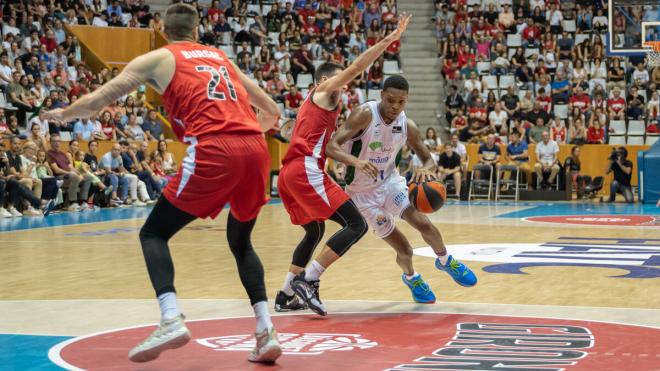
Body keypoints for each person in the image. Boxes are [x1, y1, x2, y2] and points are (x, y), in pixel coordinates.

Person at [44, 3, 283, 364]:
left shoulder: (158, 57)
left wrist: (62, 114)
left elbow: (100, 99)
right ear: (198, 29)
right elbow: (272, 111)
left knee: (153, 234)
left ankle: (171, 318)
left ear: (161, 27)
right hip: (255, 147)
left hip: (215, 147)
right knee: (241, 241)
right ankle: (266, 331)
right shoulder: (220, 57)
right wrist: (245, 141)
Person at [274, 14, 411, 316]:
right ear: (324, 81)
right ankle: (309, 280)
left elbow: (330, 146)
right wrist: (391, 38)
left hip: (289, 174)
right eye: (341, 81)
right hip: (305, 170)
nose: (345, 88)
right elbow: (358, 67)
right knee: (357, 224)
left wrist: (352, 161)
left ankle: (285, 295)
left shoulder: (321, 105)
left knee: (313, 231)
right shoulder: (323, 93)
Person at [326, 75, 476, 304]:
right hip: (362, 194)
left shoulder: (407, 125)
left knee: (425, 224)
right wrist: (355, 162)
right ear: (381, 96)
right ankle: (412, 277)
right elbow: (331, 146)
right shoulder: (364, 115)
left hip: (390, 184)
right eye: (390, 100)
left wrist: (426, 171)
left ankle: (445, 260)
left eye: (401, 102)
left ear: (407, 101)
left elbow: (428, 160)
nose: (395, 106)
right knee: (405, 250)